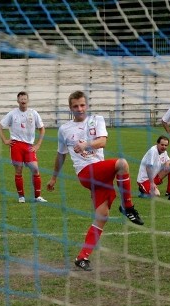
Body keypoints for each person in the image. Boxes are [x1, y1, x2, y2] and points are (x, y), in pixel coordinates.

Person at [46, 90, 144, 272]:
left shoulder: (96, 120)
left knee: (102, 216)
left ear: (87, 105)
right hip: (85, 173)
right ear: (70, 108)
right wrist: (53, 178)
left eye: (82, 105)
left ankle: (82, 258)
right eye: (75, 106)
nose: (79, 109)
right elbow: (61, 155)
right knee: (122, 164)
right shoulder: (64, 129)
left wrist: (85, 144)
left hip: (101, 174)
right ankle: (128, 207)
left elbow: (102, 142)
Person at [0, 91, 47, 203]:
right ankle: (21, 197)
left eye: (25, 99)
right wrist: (5, 140)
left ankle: (37, 196)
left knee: (35, 169)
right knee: (18, 170)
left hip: (29, 146)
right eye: (21, 99)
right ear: (18, 101)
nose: (23, 101)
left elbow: (42, 128)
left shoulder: (33, 113)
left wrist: (38, 144)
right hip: (16, 145)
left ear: (28, 100)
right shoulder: (12, 113)